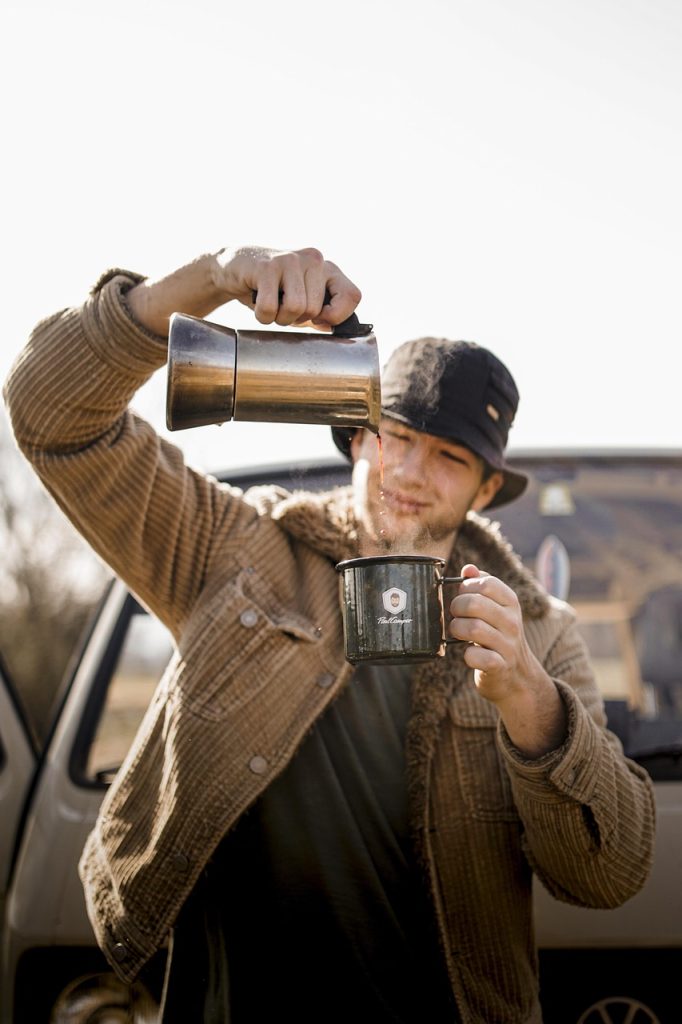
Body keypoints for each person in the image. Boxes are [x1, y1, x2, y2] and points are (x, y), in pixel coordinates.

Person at [4, 246, 655, 1024]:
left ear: (485, 490)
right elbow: (50, 411)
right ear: (355, 439)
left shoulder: (540, 637)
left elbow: (611, 873)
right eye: (395, 436)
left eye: (449, 457)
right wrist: (212, 278)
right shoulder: (237, 552)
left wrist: (531, 703)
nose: (410, 472)